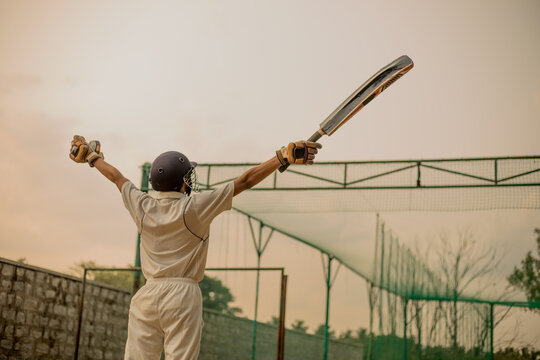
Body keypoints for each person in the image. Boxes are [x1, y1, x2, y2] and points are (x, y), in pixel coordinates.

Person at [69, 135, 322, 359]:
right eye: (187, 176)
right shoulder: (195, 207)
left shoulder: (142, 205)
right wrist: (281, 157)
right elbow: (244, 181)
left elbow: (117, 177)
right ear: (181, 182)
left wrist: (91, 156)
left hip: (147, 295)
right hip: (182, 294)